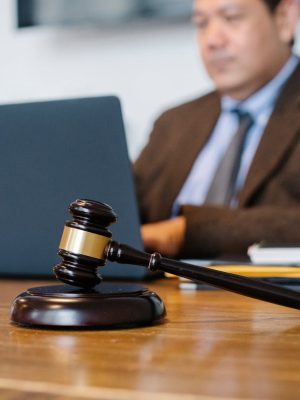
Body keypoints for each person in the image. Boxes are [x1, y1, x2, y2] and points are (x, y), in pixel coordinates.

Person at [133, 0, 300, 259]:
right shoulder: (173, 123)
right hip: (157, 296)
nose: (212, 40)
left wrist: (186, 232)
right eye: (201, 23)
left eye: (231, 18)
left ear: (284, 19)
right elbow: (123, 214)